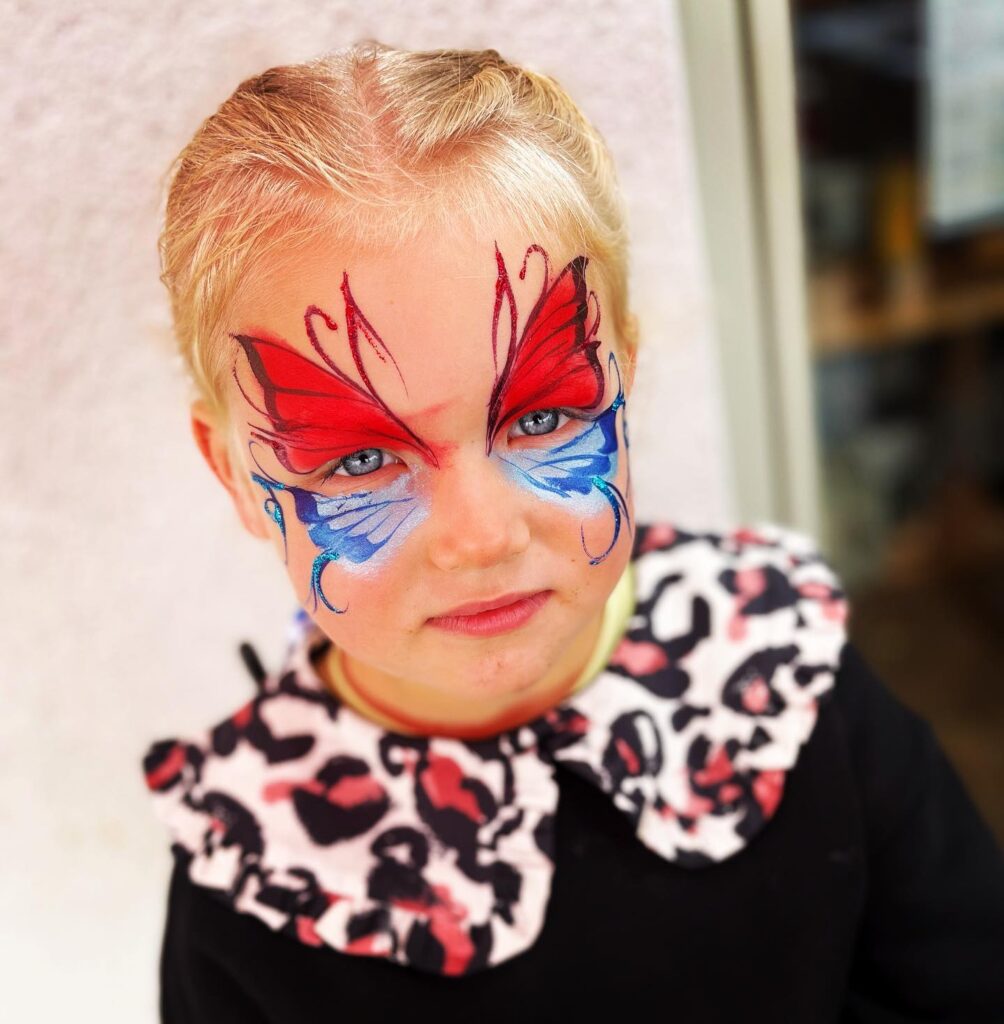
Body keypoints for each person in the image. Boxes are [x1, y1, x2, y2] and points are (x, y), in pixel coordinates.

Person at [142, 42, 1004, 1022]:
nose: (478, 534)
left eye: (542, 418)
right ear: (235, 475)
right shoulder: (257, 878)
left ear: (620, 371)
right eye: (354, 462)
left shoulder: (778, 673)